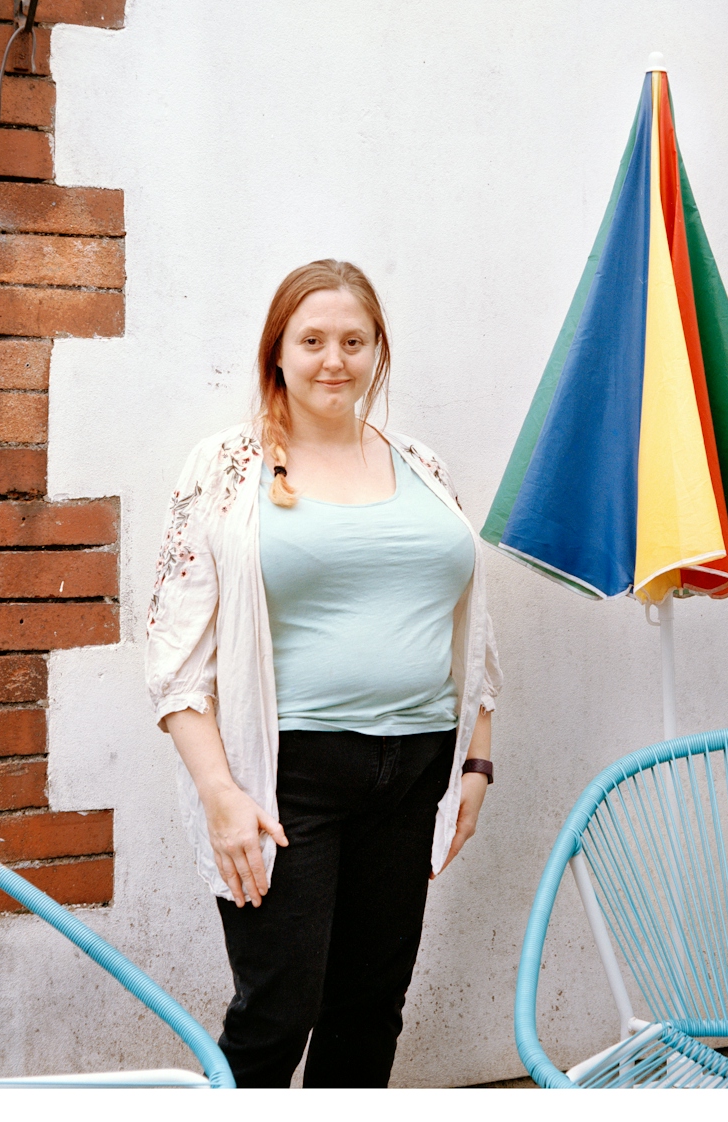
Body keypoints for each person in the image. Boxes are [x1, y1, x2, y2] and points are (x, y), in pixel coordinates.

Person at [145, 258, 502, 1088]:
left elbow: (472, 626)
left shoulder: (419, 463)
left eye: (353, 339)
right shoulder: (226, 470)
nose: (333, 359)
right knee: (277, 1013)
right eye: (311, 340)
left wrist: (476, 757)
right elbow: (174, 655)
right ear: (277, 352)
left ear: (379, 350)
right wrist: (221, 794)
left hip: (415, 768)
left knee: (370, 1010)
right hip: (287, 779)